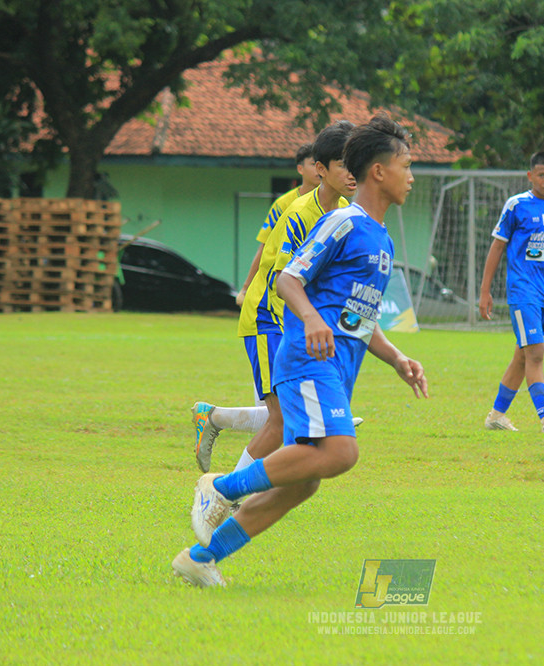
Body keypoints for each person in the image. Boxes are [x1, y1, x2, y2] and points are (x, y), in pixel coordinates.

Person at [172, 113, 427, 587]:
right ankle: (220, 487)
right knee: (342, 452)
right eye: (406, 165)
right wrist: (310, 319)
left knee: (304, 482)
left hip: (335, 366)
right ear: (379, 171)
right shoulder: (344, 221)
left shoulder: (382, 238)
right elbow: (289, 278)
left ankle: (200, 558)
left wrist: (397, 359)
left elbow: (359, 318)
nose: (411, 177)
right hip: (308, 360)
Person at [193, 120, 357, 477]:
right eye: (344, 163)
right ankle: (223, 491)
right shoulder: (297, 213)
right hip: (270, 316)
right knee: (281, 418)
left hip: (299, 322)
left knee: (284, 415)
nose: (352, 172)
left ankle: (215, 418)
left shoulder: (347, 214)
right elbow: (283, 281)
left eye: (355, 162)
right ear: (320, 169)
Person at [478, 150, 544, 435]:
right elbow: (497, 247)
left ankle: (496, 415)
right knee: (536, 352)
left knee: (523, 356)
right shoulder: (517, 205)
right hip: (522, 291)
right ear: (530, 175)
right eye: (541, 175)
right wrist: (485, 291)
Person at [235, 143, 318, 308]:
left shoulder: (338, 204)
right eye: (313, 164)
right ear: (300, 169)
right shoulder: (283, 204)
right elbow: (264, 247)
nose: (318, 169)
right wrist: (245, 289)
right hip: (280, 287)